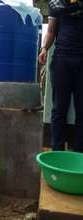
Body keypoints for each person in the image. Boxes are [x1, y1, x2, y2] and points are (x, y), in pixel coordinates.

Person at [38, 0, 83, 152]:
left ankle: (79, 153)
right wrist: (44, 48)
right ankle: (57, 151)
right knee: (59, 109)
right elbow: (51, 31)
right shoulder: (55, 4)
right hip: (61, 60)